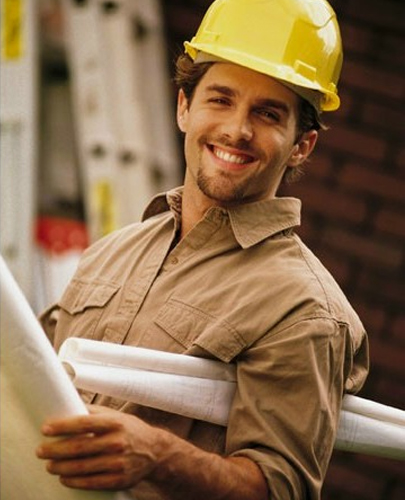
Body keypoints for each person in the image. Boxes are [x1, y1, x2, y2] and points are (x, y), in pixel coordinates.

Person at [36, 0, 369, 499]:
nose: (237, 130)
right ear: (183, 108)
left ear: (302, 145)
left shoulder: (306, 311)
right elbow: (28, 368)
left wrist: (160, 455)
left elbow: (282, 488)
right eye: (220, 99)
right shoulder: (116, 249)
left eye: (267, 113)